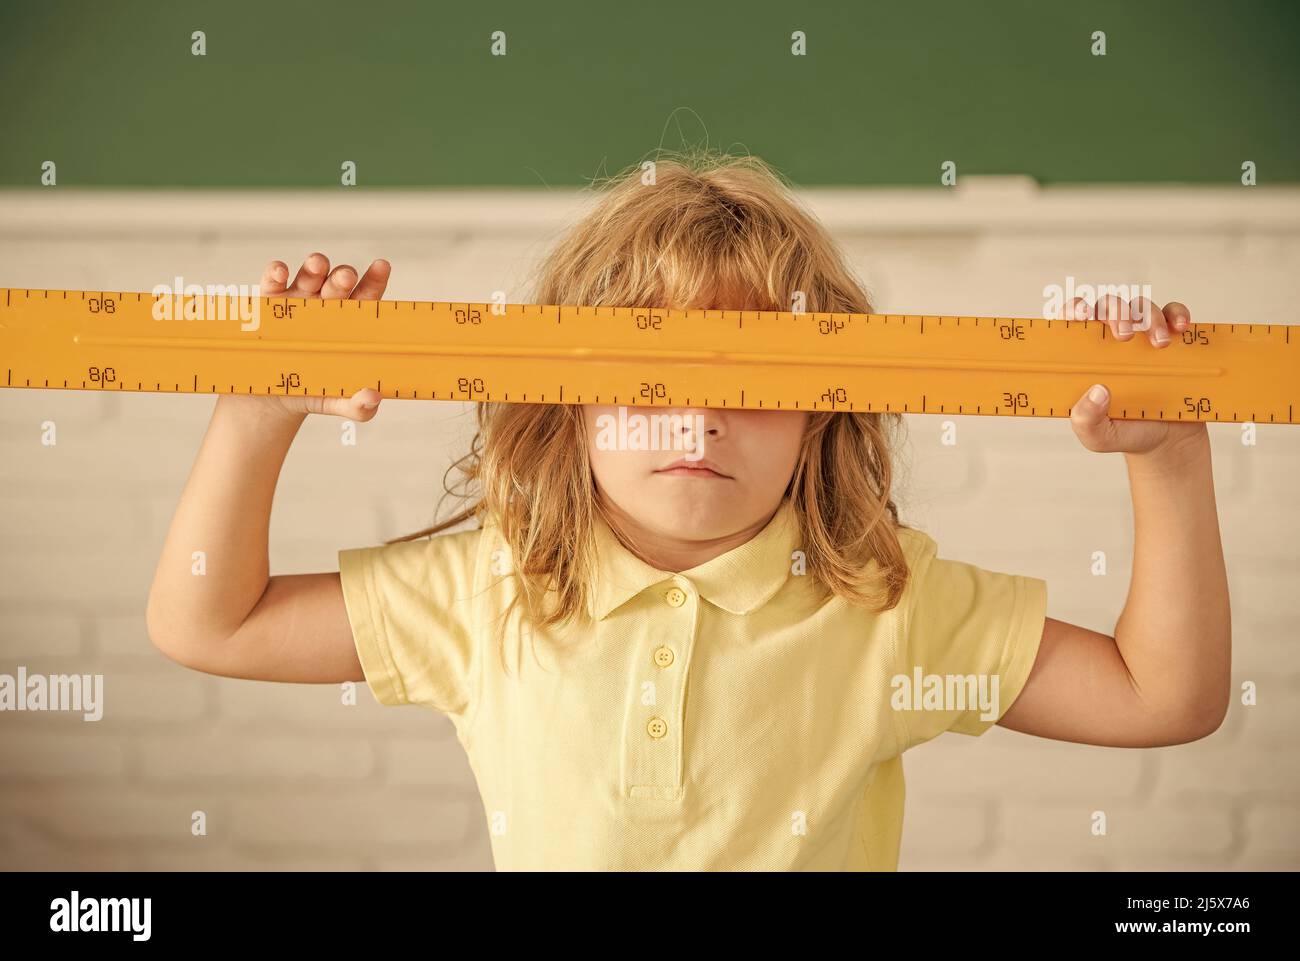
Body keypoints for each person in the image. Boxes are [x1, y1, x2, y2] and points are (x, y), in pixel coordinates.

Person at [146, 150, 1230, 870]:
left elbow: (1160, 696)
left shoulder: (884, 602)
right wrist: (256, 416)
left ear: (821, 416)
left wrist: (1169, 459)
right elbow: (208, 621)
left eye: (753, 377)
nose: (699, 414)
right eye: (649, 372)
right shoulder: (493, 588)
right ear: (565, 409)